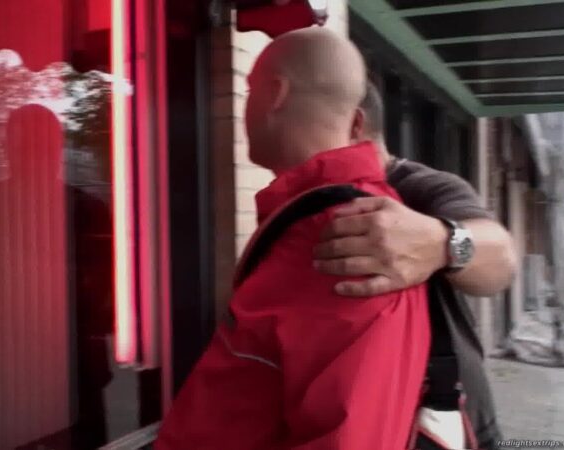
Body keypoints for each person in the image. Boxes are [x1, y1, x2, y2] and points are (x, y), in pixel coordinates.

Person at [155, 28, 430, 449]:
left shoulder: (346, 234)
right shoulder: (324, 220)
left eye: (250, 90)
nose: (245, 108)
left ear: (276, 93)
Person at [314, 81, 513, 447]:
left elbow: (500, 259)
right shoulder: (310, 200)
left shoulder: (425, 187)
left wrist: (443, 243)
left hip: (448, 423)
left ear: (355, 125)